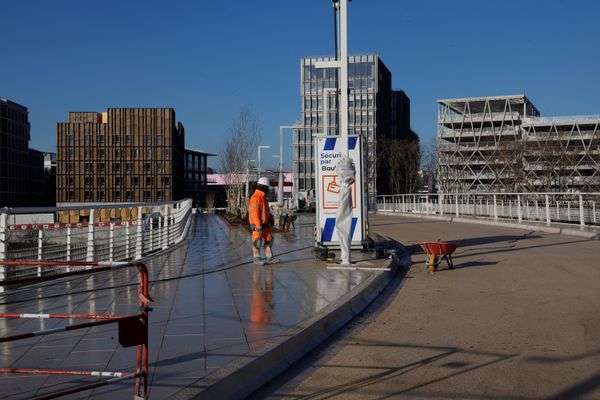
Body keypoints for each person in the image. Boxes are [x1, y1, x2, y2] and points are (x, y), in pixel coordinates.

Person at [248, 177, 277, 264]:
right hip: (257, 225)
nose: (268, 189)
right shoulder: (256, 198)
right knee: (257, 241)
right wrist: (258, 225)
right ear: (263, 187)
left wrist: (271, 219)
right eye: (267, 187)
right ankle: (256, 259)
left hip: (264, 224)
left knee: (269, 239)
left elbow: (266, 211)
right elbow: (255, 213)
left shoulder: (263, 198)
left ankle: (269, 257)